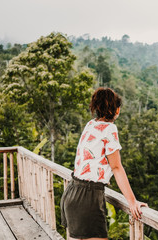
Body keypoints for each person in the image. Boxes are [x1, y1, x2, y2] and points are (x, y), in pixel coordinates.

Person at [60, 87, 148, 240]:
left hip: (71, 192)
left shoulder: (90, 124)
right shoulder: (110, 129)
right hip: (88, 197)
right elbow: (116, 167)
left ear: (96, 108)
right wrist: (132, 202)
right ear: (117, 110)